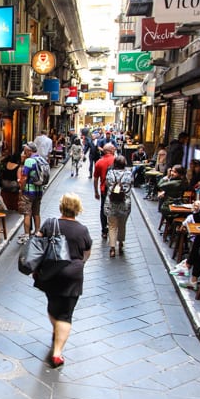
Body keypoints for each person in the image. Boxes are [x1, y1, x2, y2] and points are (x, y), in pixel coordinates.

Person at [33, 193, 92, 367]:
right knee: (65, 314)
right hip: (72, 275)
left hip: (50, 273)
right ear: (77, 209)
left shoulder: (50, 224)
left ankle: (56, 328)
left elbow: (37, 244)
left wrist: (36, 267)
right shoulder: (82, 230)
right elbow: (86, 253)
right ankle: (57, 354)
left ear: (61, 207)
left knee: (53, 305)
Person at [104, 155, 133, 257]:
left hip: (111, 202)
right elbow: (131, 184)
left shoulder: (110, 173)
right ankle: (120, 244)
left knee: (112, 225)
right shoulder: (129, 174)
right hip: (125, 203)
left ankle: (112, 248)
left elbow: (107, 184)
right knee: (122, 224)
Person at [17, 142, 44, 245]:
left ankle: (26, 234)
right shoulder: (41, 159)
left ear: (29, 151)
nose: (25, 152)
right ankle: (37, 231)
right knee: (36, 213)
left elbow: (24, 177)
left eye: (26, 151)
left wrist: (21, 189)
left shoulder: (29, 161)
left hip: (29, 191)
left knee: (27, 213)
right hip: (39, 191)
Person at [93, 142, 117, 240]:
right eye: (114, 149)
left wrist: (96, 192)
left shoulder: (99, 162)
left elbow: (95, 179)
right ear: (110, 150)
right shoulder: (116, 160)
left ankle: (104, 230)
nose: (115, 150)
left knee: (103, 209)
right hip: (115, 190)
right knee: (114, 209)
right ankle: (113, 229)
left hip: (104, 190)